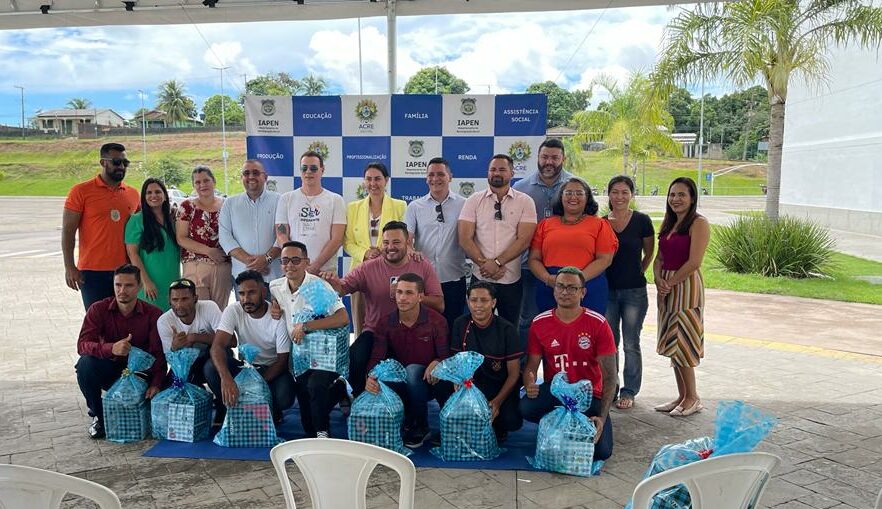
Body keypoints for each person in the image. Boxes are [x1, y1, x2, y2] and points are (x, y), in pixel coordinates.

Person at [321, 221, 443, 396]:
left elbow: (439, 304)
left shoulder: (422, 265)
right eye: (386, 243)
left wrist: (412, 296)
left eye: (396, 242)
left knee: (413, 373)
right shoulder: (368, 267)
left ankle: (410, 408)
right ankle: (359, 398)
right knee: (354, 357)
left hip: (412, 332)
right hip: (375, 331)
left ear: (408, 242)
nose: (390, 247)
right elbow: (342, 288)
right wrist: (334, 283)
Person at [519, 267, 616, 461]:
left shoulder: (598, 324)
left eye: (572, 288)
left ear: (583, 292)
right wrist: (529, 382)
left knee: (601, 452)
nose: (565, 292)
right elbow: (531, 366)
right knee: (525, 407)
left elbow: (610, 377)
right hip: (557, 392)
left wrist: (603, 418)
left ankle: (576, 428)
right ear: (554, 290)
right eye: (560, 286)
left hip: (589, 396)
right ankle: (557, 425)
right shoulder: (540, 323)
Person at [74, 264, 166, 439]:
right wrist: (111, 348)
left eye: (129, 285)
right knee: (85, 364)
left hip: (140, 375)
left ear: (139, 287)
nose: (122, 290)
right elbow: (82, 345)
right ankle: (99, 416)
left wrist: (156, 383)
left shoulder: (153, 314)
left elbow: (158, 354)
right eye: (118, 285)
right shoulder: (98, 309)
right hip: (110, 370)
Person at [269, 241, 350, 438]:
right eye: (285, 260)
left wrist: (306, 327)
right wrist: (275, 309)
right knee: (307, 419)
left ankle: (323, 434)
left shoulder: (318, 286)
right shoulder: (275, 286)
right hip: (299, 353)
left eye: (296, 260)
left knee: (316, 387)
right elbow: (279, 306)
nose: (290, 265)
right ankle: (339, 390)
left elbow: (343, 318)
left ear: (306, 262)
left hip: (325, 351)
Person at [365, 273, 450, 448]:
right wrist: (370, 377)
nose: (403, 298)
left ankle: (420, 425)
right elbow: (377, 357)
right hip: (399, 382)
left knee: (413, 371)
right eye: (399, 292)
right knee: (382, 377)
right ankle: (399, 420)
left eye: (409, 293)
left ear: (420, 296)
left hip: (431, 381)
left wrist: (438, 361)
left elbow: (447, 356)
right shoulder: (385, 322)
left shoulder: (437, 321)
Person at [205, 270, 294, 424]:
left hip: (273, 370)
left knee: (284, 397)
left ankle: (271, 409)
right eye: (241, 294)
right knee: (211, 367)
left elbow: (282, 361)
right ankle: (228, 405)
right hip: (246, 368)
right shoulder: (233, 310)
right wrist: (226, 379)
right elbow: (217, 346)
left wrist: (253, 385)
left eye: (252, 293)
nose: (246, 299)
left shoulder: (278, 316)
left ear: (263, 292)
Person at [458, 154, 537, 326]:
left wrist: (498, 263)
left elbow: (524, 240)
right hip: (481, 275)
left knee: (510, 326)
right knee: (477, 325)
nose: (496, 173)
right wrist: (486, 264)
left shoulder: (525, 202)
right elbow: (464, 238)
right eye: (493, 169)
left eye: (502, 169)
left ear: (512, 173)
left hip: (511, 278)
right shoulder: (473, 200)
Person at [653, 177, 709, 417]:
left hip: (685, 287)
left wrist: (670, 284)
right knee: (672, 343)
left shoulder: (698, 223)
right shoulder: (670, 223)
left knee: (684, 342)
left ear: (692, 198)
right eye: (672, 194)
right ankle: (682, 395)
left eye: (681, 195)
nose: (675, 199)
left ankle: (693, 397)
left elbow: (695, 261)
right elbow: (659, 258)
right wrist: (658, 280)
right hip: (666, 286)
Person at [440, 281, 523, 442]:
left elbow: (514, 373)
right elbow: (455, 362)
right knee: (439, 382)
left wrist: (497, 403)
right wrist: (457, 384)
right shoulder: (460, 324)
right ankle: (459, 420)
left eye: (484, 300)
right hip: (470, 385)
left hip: (497, 386)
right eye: (473, 300)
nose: (478, 305)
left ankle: (496, 424)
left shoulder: (507, 329)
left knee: (511, 421)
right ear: (467, 302)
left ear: (493, 303)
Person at [63, 142, 140, 310]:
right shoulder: (81, 191)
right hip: (92, 273)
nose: (122, 167)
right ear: (103, 162)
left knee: (124, 323)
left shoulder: (133, 194)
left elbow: (143, 226)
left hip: (125, 271)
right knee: (98, 324)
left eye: (125, 163)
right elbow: (68, 232)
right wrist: (69, 266)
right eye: (116, 162)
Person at [513, 138, 574, 346]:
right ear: (537, 158)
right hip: (528, 266)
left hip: (564, 267)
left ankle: (559, 371)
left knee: (563, 320)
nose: (549, 162)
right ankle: (523, 372)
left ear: (563, 159)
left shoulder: (575, 186)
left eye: (555, 158)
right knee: (526, 320)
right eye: (545, 157)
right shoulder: (521, 188)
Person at [529, 177, 618, 315]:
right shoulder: (545, 224)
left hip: (587, 285)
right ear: (561, 197)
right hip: (551, 286)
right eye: (568, 193)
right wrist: (548, 279)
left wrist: (577, 280)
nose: (573, 197)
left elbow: (605, 259)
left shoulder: (599, 225)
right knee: (551, 333)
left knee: (587, 333)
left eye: (579, 193)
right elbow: (533, 259)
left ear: (587, 197)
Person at [604, 176, 655, 410]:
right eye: (615, 192)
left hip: (634, 292)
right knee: (609, 344)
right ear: (609, 195)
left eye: (625, 192)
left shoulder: (642, 221)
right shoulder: (601, 223)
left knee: (631, 343)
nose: (620, 197)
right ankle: (611, 387)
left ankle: (630, 390)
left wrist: (637, 273)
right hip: (608, 291)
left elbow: (649, 253)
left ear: (632, 194)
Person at [404, 156, 469, 331]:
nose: (435, 178)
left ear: (450, 177)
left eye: (440, 174)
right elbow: (406, 241)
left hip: (454, 277)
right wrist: (410, 250)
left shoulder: (465, 204)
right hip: (423, 280)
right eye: (431, 174)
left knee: (453, 326)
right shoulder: (415, 206)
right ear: (426, 178)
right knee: (424, 328)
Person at [343, 162, 406, 335]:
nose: (373, 183)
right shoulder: (352, 207)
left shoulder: (400, 206)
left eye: (377, 178)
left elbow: (404, 240)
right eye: (369, 179)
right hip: (360, 273)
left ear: (386, 180)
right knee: (360, 326)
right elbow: (347, 242)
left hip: (389, 273)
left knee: (390, 324)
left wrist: (382, 253)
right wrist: (365, 253)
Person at [274, 151, 346, 275]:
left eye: (313, 168)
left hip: (325, 272)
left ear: (322, 170)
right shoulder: (286, 199)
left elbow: (337, 239)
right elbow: (281, 235)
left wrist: (315, 266)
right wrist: (296, 262)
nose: (308, 172)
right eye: (304, 168)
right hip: (294, 271)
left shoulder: (336, 200)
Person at [219, 160, 282, 291]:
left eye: (256, 173)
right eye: (246, 173)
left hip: (274, 276)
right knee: (244, 312)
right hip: (243, 277)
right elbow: (225, 237)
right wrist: (251, 262)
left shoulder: (280, 200)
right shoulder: (229, 203)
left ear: (265, 177)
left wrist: (267, 259)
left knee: (276, 312)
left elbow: (284, 234)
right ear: (242, 177)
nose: (251, 177)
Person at [176, 166, 232, 311]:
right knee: (200, 312)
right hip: (195, 267)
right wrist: (208, 251)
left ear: (214, 181)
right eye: (198, 182)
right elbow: (181, 238)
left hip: (222, 266)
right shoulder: (187, 206)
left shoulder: (227, 205)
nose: (202, 185)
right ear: (193, 185)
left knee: (220, 313)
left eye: (206, 180)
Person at [124, 178, 181, 312]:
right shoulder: (137, 220)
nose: (153, 195)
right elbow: (133, 254)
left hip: (172, 281)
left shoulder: (173, 219)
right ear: (144, 197)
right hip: (150, 284)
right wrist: (146, 281)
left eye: (157, 192)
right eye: (149, 193)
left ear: (165, 196)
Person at [156, 278, 222, 385]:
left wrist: (194, 337)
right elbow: (171, 360)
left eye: (185, 299)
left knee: (210, 368)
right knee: (170, 386)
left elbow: (231, 341)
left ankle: (222, 401)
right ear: (169, 300)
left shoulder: (210, 307)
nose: (179, 305)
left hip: (214, 357)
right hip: (187, 363)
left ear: (195, 298)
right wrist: (174, 347)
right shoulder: (164, 321)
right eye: (175, 300)